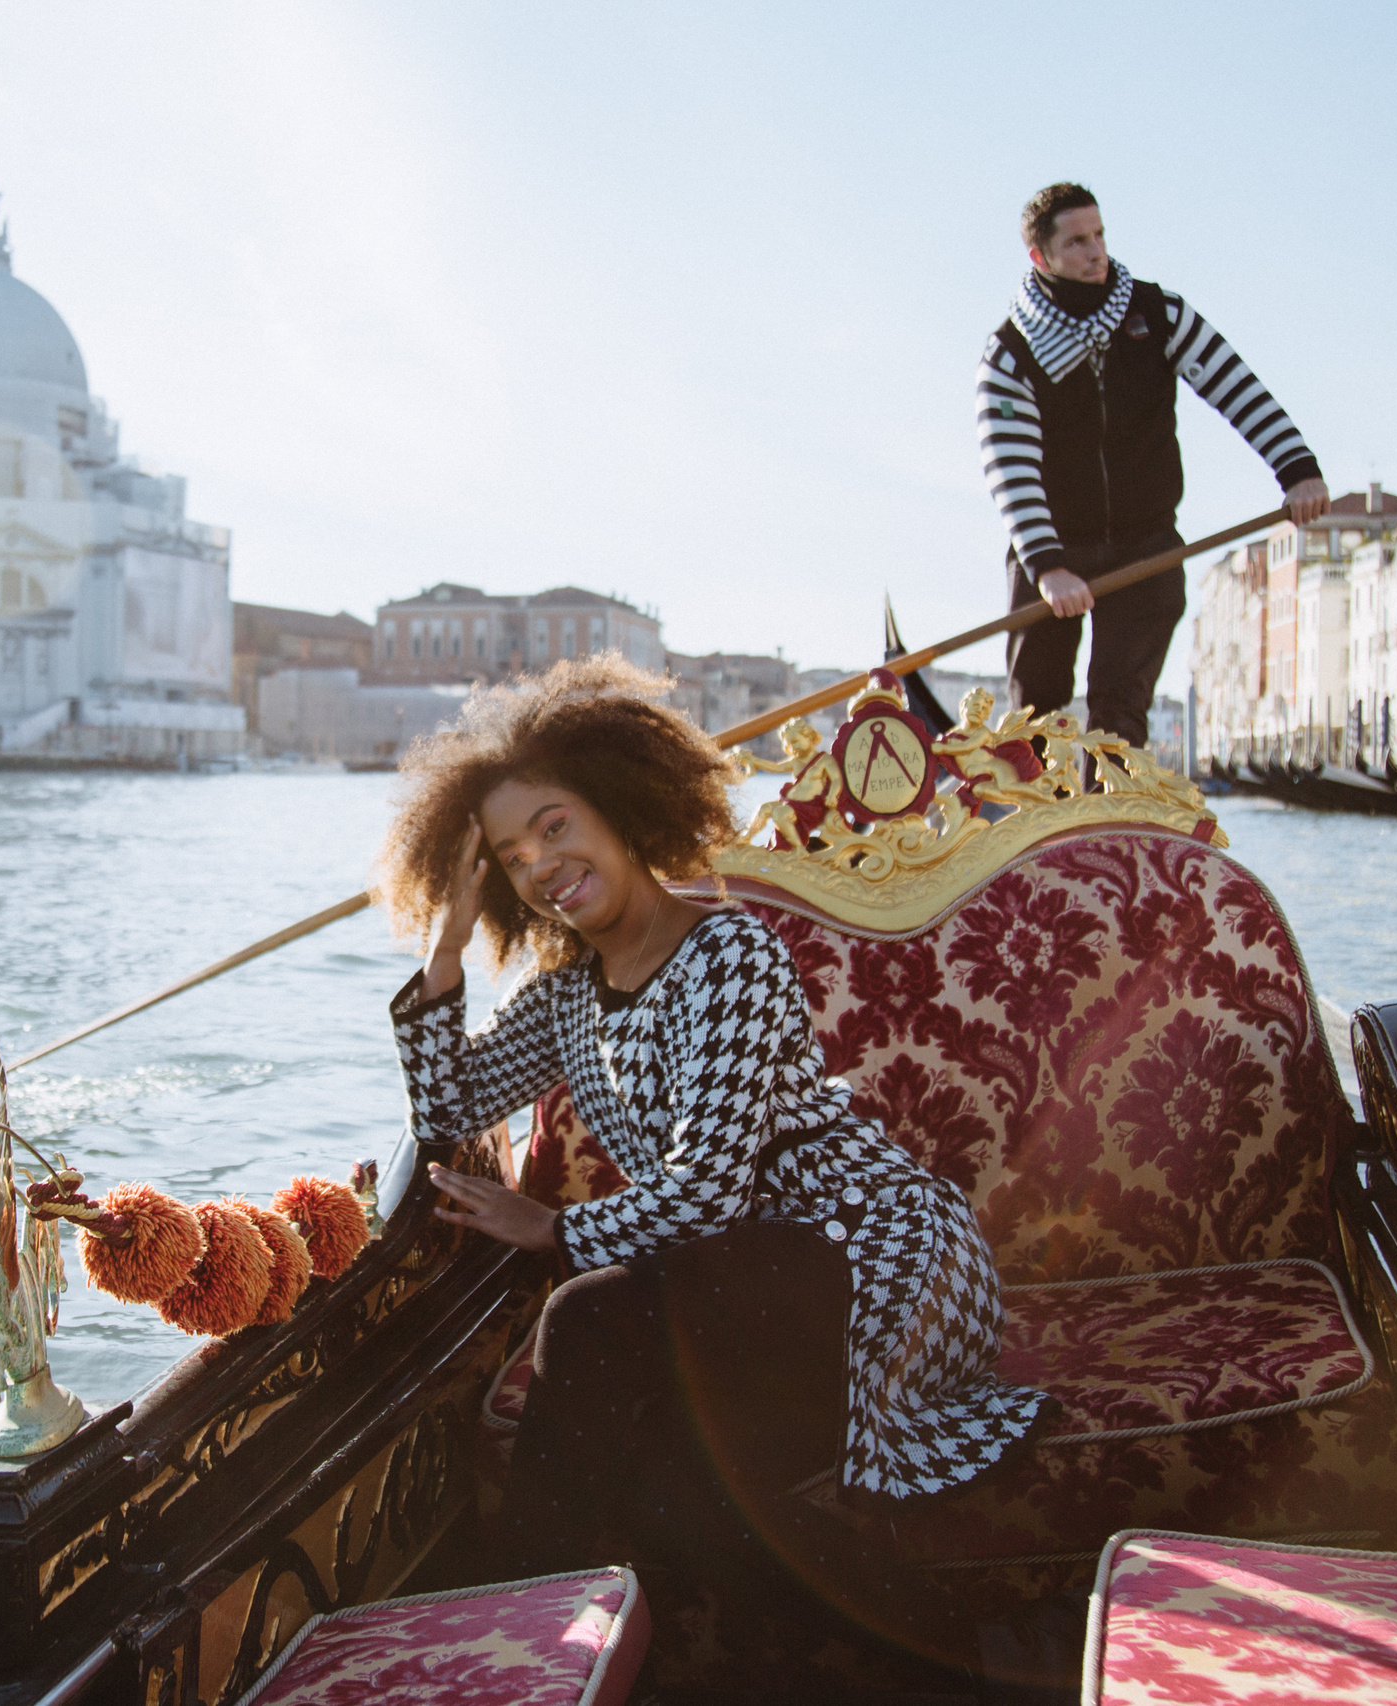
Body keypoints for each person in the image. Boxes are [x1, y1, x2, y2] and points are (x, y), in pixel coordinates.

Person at [376, 656, 1043, 1576]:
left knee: (583, 1319)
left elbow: (711, 1193)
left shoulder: (728, 954)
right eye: (511, 860)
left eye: (555, 825)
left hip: (869, 1249)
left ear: (618, 803)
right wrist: (445, 949)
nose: (542, 867)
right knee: (668, 1497)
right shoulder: (567, 993)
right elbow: (449, 1104)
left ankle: (506, 1629)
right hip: (742, 1285)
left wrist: (553, 1230)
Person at [977, 182, 1330, 750]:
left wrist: (1297, 469)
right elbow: (1009, 468)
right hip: (1052, 546)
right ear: (1041, 257)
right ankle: (1038, 827)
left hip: (1146, 546)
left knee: (1119, 713)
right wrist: (1048, 567)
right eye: (1077, 242)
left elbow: (1237, 388)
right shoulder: (1010, 354)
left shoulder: (1157, 314)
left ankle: (1110, 826)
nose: (1097, 253)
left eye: (1100, 235)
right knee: (1035, 713)